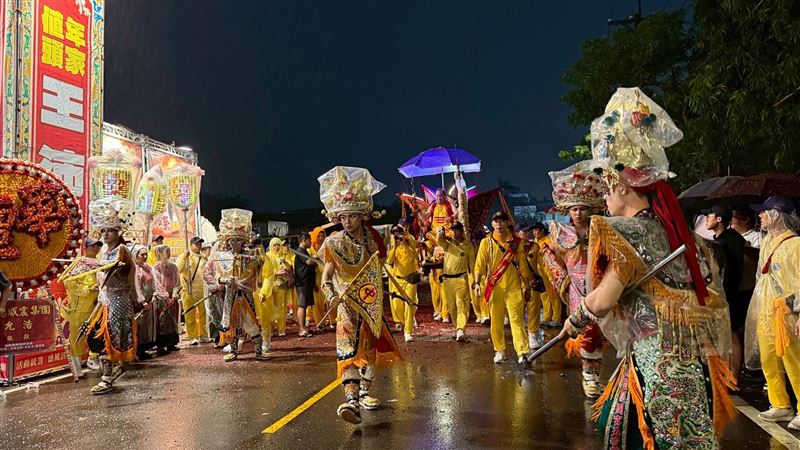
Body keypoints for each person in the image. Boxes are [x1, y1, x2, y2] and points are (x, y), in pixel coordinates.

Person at [561, 87, 734, 448]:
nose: (603, 197)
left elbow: (605, 299)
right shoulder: (679, 234)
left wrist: (575, 320)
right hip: (690, 362)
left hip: (655, 365)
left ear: (623, 187)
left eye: (606, 188)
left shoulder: (625, 231)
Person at [317, 166, 402, 424]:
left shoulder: (374, 239)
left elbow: (380, 269)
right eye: (342, 217)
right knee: (347, 351)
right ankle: (351, 401)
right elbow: (326, 277)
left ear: (362, 216)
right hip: (345, 305)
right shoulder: (333, 242)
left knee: (370, 350)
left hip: (370, 303)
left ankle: (364, 390)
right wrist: (331, 294)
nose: (346, 222)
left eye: (352, 216)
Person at [545, 161, 607, 398]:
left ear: (591, 209)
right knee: (585, 331)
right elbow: (551, 258)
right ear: (567, 211)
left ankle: (598, 375)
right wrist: (565, 280)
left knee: (603, 332)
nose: (578, 212)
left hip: (602, 286)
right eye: (574, 209)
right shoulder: (561, 233)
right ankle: (589, 377)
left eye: (582, 208)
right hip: (577, 290)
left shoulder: (602, 230)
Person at [743, 195, 800, 428]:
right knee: (769, 359)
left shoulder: (795, 245)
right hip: (767, 311)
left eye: (764, 212)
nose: (760, 216)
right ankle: (780, 404)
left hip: (787, 312)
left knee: (794, 361)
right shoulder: (767, 242)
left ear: (776, 215)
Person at [86, 197, 138, 395]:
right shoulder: (103, 252)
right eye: (103, 230)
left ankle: (107, 378)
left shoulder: (122, 251)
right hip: (104, 300)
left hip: (118, 301)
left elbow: (127, 274)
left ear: (118, 232)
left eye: (110, 230)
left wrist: (136, 298)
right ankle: (109, 371)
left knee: (108, 336)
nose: (105, 234)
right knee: (96, 335)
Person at [204, 209, 270, 362]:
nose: (235, 244)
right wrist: (226, 281)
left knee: (251, 322)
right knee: (232, 323)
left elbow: (257, 272)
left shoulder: (250, 256)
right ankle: (233, 350)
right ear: (226, 241)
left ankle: (258, 350)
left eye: (238, 240)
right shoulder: (220, 256)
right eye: (232, 240)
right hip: (230, 295)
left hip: (245, 294)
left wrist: (257, 265)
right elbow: (213, 274)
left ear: (244, 241)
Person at [474, 211, 533, 364]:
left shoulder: (516, 242)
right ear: (492, 224)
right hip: (495, 288)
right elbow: (479, 265)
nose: (498, 224)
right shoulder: (486, 243)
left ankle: (522, 352)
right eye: (496, 221)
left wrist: (527, 286)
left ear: (508, 223)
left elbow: (523, 265)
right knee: (497, 321)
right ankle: (500, 350)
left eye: (502, 221)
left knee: (516, 320)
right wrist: (476, 283)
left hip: (513, 287)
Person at [704, 205, 746, 381]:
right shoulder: (727, 239)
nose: (706, 218)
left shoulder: (728, 241)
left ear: (719, 219)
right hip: (730, 293)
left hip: (729, 293)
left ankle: (733, 376)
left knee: (731, 335)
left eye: (710, 215)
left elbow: (724, 271)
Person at [60, 238, 103, 376]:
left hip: (96, 306)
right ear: (85, 248)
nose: (96, 249)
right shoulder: (78, 264)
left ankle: (93, 359)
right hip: (79, 308)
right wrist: (88, 289)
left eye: (98, 246)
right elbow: (68, 282)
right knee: (77, 338)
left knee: (97, 336)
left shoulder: (100, 264)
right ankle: (77, 369)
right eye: (93, 246)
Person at [435, 222, 475, 341]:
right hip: (447, 280)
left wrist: (474, 281)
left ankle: (461, 329)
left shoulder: (468, 246)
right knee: (452, 307)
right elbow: (439, 241)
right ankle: (457, 327)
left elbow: (472, 265)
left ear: (461, 231)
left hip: (461, 279)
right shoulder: (448, 244)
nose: (454, 232)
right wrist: (440, 232)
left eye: (456, 230)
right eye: (452, 230)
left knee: (461, 304)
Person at [386, 224, 421, 342]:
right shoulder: (392, 245)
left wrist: (405, 243)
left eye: (398, 233)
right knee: (397, 306)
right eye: (394, 234)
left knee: (409, 305)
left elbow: (414, 256)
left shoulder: (410, 241)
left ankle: (408, 331)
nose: (397, 236)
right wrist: (395, 247)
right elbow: (389, 261)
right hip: (398, 281)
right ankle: (404, 322)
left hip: (410, 280)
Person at [176, 236, 209, 345]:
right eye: (196, 244)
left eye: (200, 244)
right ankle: (192, 337)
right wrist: (184, 258)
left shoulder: (204, 257)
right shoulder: (184, 256)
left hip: (201, 289)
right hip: (188, 290)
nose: (198, 246)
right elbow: (179, 269)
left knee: (203, 313)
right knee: (189, 314)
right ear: (191, 245)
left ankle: (203, 335)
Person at [516, 223, 544, 350]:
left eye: (528, 231)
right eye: (524, 231)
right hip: (516, 285)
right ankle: (520, 336)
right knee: (518, 312)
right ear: (517, 234)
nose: (527, 233)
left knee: (533, 310)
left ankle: (532, 334)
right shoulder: (513, 248)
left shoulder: (535, 247)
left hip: (532, 283)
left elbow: (541, 264)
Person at [531, 222, 562, 327]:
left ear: (542, 230)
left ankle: (556, 318)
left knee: (554, 295)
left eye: (536, 230)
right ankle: (547, 316)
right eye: (533, 230)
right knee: (544, 295)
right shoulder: (535, 242)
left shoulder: (549, 241)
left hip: (550, 273)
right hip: (540, 273)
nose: (534, 232)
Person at [152, 244, 180, 355]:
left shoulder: (173, 266)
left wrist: (174, 294)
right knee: (162, 321)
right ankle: (161, 345)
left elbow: (177, 282)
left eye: (168, 251)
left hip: (172, 297)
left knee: (172, 321)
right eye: (165, 252)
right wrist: (165, 297)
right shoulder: (155, 268)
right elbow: (157, 284)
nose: (167, 254)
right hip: (161, 298)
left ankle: (171, 343)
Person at [133, 246, 156, 360]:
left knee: (146, 327)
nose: (145, 257)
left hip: (149, 302)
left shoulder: (148, 267)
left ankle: (143, 349)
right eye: (142, 254)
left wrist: (153, 297)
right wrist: (141, 301)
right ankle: (136, 350)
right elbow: (136, 287)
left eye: (146, 254)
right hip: (139, 304)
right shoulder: (134, 269)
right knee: (138, 327)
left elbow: (154, 283)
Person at [309, 227, 334, 332]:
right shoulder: (310, 250)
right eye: (318, 235)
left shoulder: (328, 247)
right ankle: (320, 323)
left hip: (329, 277)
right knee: (317, 302)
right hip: (316, 279)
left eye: (322, 235)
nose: (321, 237)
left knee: (331, 299)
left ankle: (334, 321)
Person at [267, 238, 293, 337]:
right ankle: (272, 329)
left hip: (282, 286)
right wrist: (276, 272)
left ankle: (281, 329)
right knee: (271, 308)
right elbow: (265, 271)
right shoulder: (268, 256)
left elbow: (289, 267)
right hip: (270, 286)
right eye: (274, 245)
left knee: (281, 308)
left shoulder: (283, 255)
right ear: (271, 246)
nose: (277, 247)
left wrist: (285, 263)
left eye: (278, 245)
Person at [293, 232, 317, 337]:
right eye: (309, 240)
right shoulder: (300, 251)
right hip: (302, 283)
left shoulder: (305, 252)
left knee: (305, 305)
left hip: (307, 282)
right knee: (302, 305)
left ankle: (304, 328)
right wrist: (317, 256)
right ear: (304, 241)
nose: (311, 242)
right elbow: (309, 262)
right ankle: (301, 329)